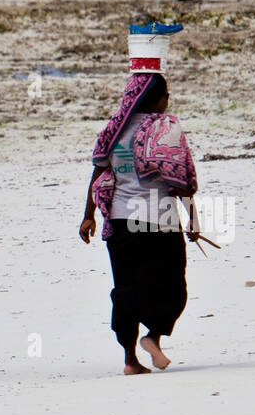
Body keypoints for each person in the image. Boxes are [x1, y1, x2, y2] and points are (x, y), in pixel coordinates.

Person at [80, 72, 200, 376]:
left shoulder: (114, 130)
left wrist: (88, 215)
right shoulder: (166, 129)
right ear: (156, 99)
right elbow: (180, 180)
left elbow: (98, 175)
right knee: (172, 286)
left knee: (127, 289)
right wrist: (193, 219)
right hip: (159, 223)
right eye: (166, 95)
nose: (168, 100)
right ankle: (154, 337)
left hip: (120, 220)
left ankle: (131, 360)